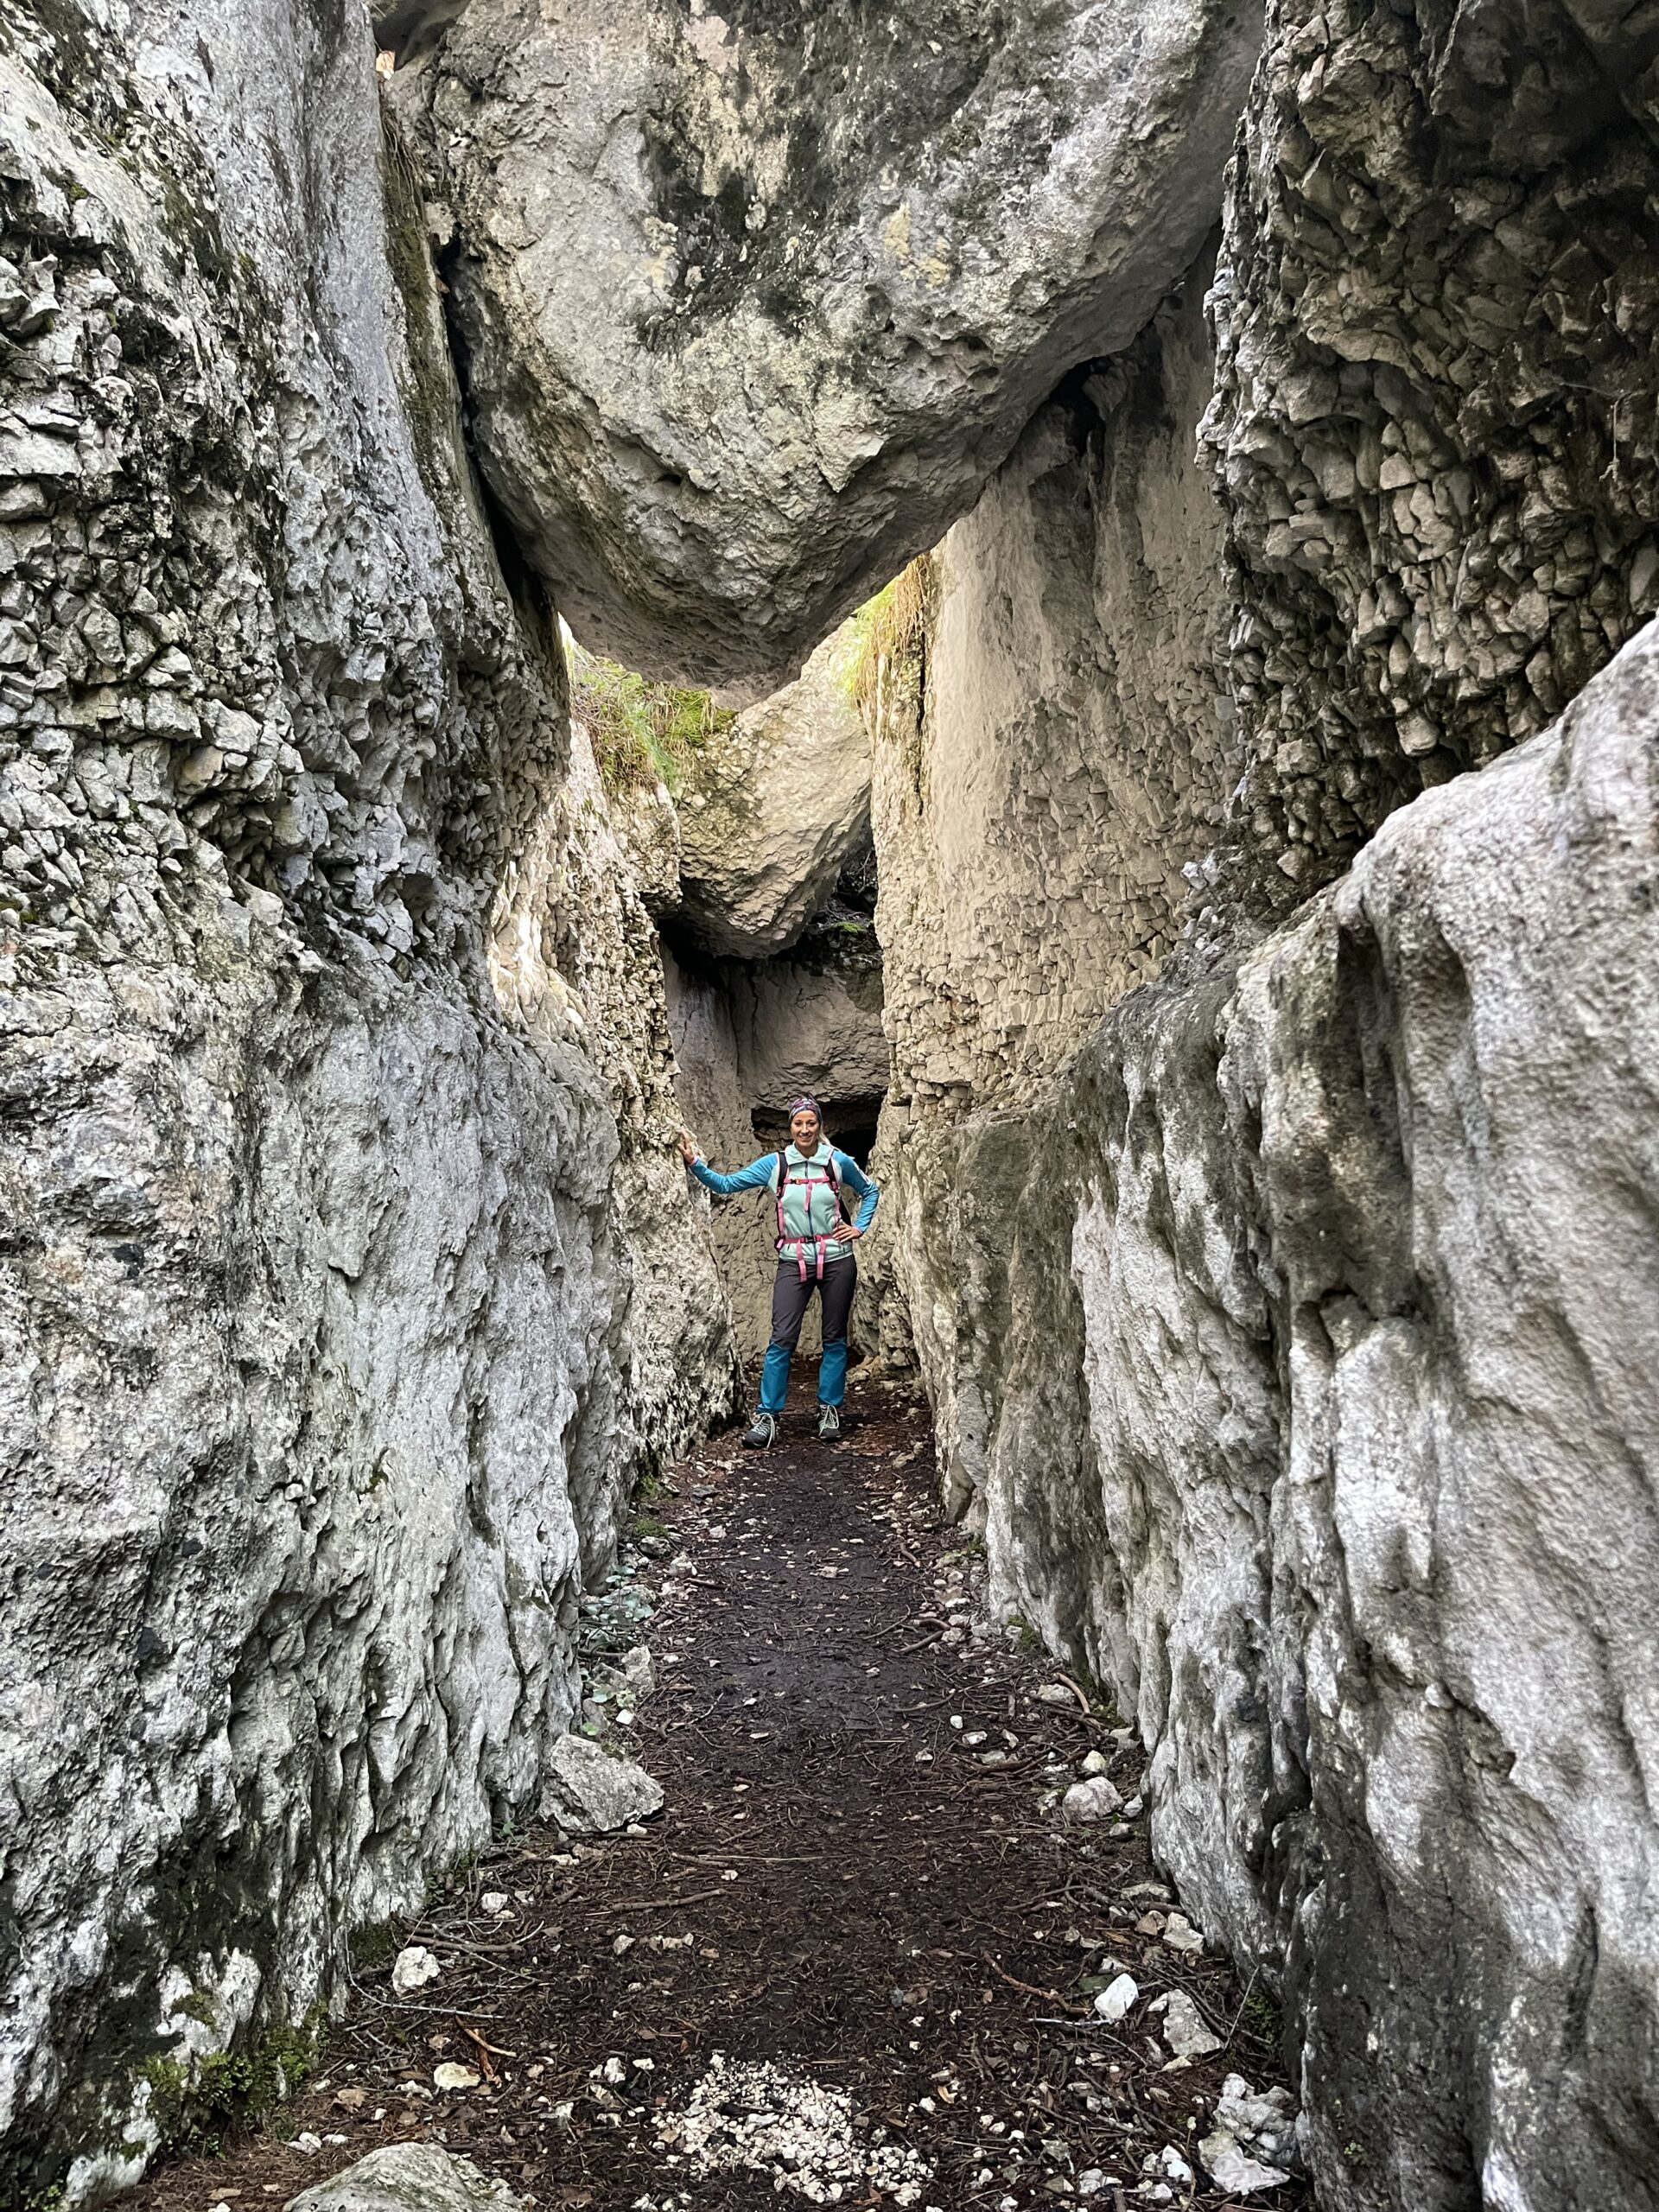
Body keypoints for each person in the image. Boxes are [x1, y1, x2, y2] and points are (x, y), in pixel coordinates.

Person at [678, 1097, 879, 1447]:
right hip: (794, 1259)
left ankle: (828, 1409)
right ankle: (767, 1416)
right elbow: (725, 1184)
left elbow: (870, 1190)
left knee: (834, 1338)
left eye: (811, 1124)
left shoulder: (836, 1161)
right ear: (791, 1127)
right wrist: (696, 1164)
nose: (804, 1130)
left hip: (837, 1259)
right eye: (798, 1124)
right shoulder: (777, 1165)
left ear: (819, 1126)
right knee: (782, 1338)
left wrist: (859, 1226)